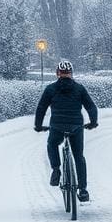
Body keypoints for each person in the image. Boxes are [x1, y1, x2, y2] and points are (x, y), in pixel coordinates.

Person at [34, 60, 98, 201]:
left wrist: (38, 126)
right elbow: (91, 107)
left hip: (57, 127)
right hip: (76, 127)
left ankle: (56, 169)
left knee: (52, 144)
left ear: (58, 73)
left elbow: (41, 108)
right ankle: (82, 190)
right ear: (71, 73)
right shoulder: (79, 89)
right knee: (79, 157)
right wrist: (93, 122)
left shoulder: (50, 89)